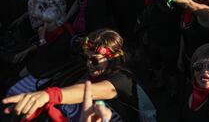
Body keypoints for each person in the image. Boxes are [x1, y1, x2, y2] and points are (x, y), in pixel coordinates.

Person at [2, 29, 141, 122]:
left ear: (112, 58)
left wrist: (49, 95)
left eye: (94, 60)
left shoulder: (122, 79)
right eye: (86, 58)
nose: (88, 64)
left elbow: (87, 92)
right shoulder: (85, 71)